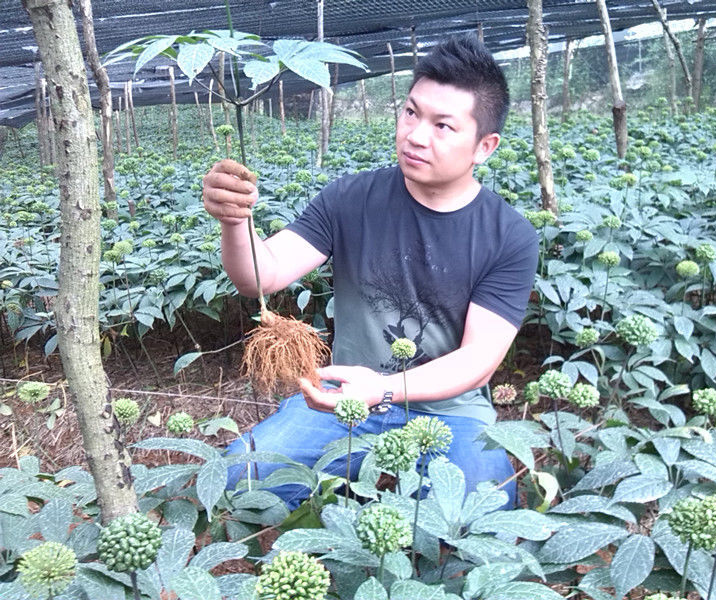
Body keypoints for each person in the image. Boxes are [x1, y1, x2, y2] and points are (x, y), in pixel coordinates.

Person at [202, 34, 538, 510]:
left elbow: (477, 359)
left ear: (484, 146)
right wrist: (235, 221)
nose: (416, 135)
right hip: (341, 400)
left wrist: (382, 388)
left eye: (443, 126)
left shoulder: (509, 235)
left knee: (483, 510)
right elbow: (262, 277)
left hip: (450, 410)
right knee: (240, 481)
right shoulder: (351, 198)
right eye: (411, 113)